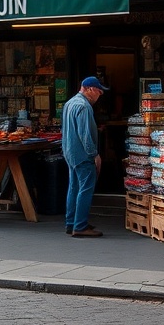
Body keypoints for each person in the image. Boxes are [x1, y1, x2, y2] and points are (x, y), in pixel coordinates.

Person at [62, 76, 108, 238]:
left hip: (70, 152)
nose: (99, 95)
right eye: (99, 92)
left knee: (74, 187)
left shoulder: (70, 103)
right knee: (86, 188)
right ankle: (80, 226)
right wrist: (94, 155)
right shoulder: (83, 106)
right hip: (82, 154)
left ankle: (71, 223)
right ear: (90, 89)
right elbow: (85, 135)